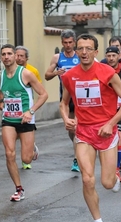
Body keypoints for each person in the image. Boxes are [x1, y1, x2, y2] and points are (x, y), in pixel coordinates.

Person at [60, 34, 121, 222]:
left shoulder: (107, 73)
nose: (84, 52)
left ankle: (114, 177)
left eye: (88, 48)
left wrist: (111, 123)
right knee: (87, 178)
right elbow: (63, 103)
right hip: (84, 132)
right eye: (80, 48)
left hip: (106, 132)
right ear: (76, 50)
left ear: (95, 52)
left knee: (107, 183)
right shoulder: (70, 76)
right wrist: (67, 118)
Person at [0, 44, 48, 202]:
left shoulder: (26, 74)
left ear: (16, 56)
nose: (7, 57)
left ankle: (32, 149)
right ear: (1, 57)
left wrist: (30, 111)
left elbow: (44, 95)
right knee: (9, 154)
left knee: (26, 159)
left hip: (25, 119)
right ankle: (18, 189)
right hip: (8, 119)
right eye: (4, 54)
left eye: (10, 53)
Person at [45, 29, 80, 172]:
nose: (68, 45)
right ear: (62, 43)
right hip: (65, 97)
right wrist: (56, 73)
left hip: (80, 96)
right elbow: (47, 75)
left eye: (70, 42)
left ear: (74, 42)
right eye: (65, 43)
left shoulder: (80, 55)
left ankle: (77, 159)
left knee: (77, 128)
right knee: (71, 129)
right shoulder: (57, 57)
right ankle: (80, 147)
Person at [15, 45, 41, 169]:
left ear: (26, 58)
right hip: (13, 108)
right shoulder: (9, 70)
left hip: (27, 108)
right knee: (17, 134)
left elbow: (39, 89)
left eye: (21, 56)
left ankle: (26, 159)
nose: (18, 58)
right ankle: (29, 146)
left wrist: (32, 107)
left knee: (25, 131)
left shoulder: (32, 71)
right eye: (17, 55)